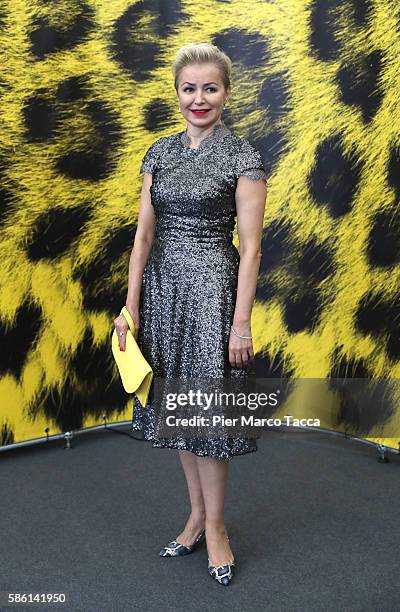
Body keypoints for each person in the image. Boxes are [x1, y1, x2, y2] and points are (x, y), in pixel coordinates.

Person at [114, 42, 267, 586]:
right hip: (162, 294)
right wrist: (130, 308)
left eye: (210, 88)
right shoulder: (157, 153)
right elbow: (143, 235)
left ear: (226, 93)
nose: (198, 98)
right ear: (176, 93)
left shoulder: (243, 157)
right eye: (189, 88)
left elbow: (250, 248)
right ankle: (197, 517)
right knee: (178, 413)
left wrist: (240, 322)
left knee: (208, 418)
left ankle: (219, 529)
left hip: (214, 295)